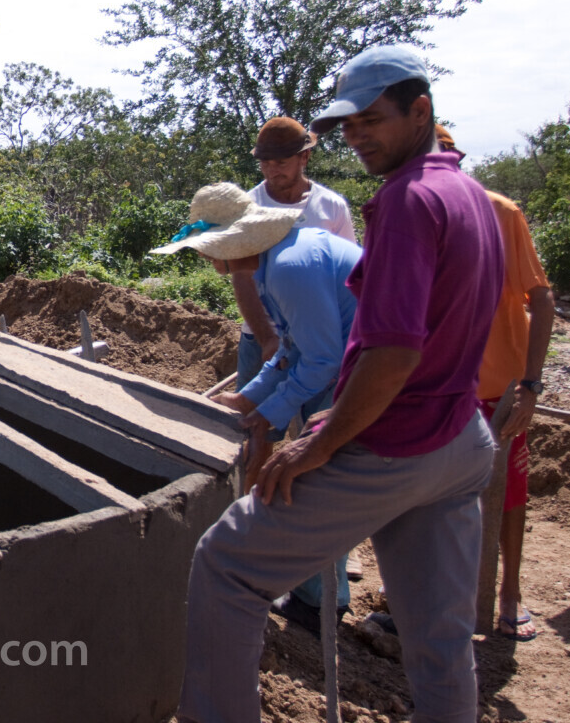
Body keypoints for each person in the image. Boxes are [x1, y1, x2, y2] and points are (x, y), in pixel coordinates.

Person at [177, 45, 503, 723]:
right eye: (347, 126)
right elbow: (302, 351)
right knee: (440, 644)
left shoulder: (407, 202)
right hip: (460, 437)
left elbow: (386, 354)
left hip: (396, 441)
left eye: (371, 121)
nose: (356, 137)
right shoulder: (465, 190)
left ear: (420, 111)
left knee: (227, 567)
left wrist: (317, 444)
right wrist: (261, 402)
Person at [153, 182, 360, 637]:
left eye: (208, 251)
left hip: (364, 373)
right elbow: (290, 348)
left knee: (315, 482)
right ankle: (314, 594)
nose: (208, 263)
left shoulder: (290, 268)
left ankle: (320, 605)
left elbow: (324, 359)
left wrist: (271, 412)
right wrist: (250, 398)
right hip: (347, 364)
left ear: (230, 244)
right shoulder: (275, 264)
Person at [438, 125, 554, 640]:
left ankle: (509, 592)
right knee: (436, 497)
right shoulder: (415, 217)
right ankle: (442, 594)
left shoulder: (500, 213)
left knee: (509, 494)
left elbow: (542, 299)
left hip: (499, 389)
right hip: (444, 389)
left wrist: (531, 385)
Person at [234, 117, 356, 390]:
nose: (271, 172)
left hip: (319, 338)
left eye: (280, 163)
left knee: (312, 424)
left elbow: (350, 279)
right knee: (248, 423)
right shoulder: (249, 208)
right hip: (262, 335)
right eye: (265, 163)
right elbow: (242, 278)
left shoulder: (331, 207)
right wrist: (267, 338)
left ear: (305, 157)